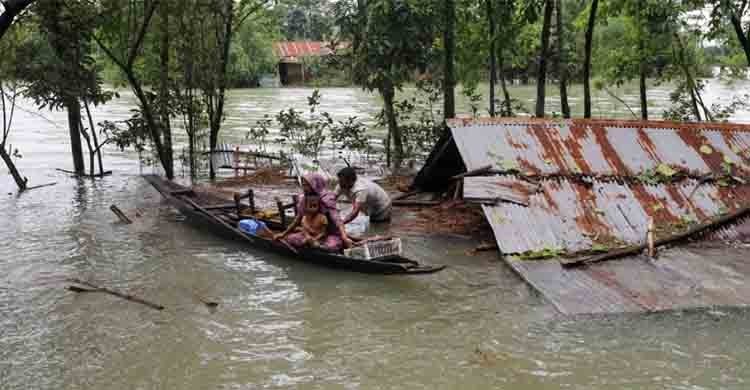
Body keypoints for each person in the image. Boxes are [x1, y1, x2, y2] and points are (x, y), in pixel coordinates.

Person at [274, 173, 353, 251]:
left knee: (331, 245)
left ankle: (318, 245)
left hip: (329, 234)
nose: (304, 188)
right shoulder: (304, 199)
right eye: (303, 185)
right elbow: (298, 219)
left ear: (315, 185)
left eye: (306, 185)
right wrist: (283, 234)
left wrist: (344, 236)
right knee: (291, 238)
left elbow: (337, 220)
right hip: (311, 233)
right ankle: (313, 243)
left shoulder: (327, 199)